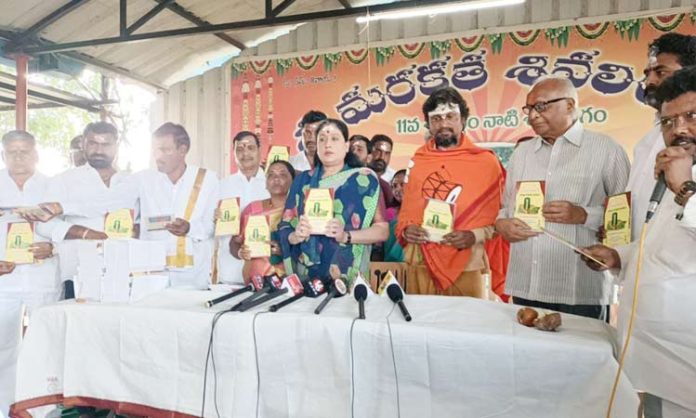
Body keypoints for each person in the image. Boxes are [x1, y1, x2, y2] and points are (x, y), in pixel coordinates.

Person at [582, 66, 696, 418]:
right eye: (667, 121)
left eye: (691, 116)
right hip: (659, 355)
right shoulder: (679, 169)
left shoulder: (681, 179)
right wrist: (618, 256)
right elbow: (661, 245)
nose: (678, 130)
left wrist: (684, 190)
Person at [495, 76, 630, 320]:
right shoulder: (522, 153)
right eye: (529, 109)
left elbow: (626, 215)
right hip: (526, 284)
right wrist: (502, 224)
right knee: (524, 355)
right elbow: (506, 208)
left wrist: (584, 215)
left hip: (580, 290)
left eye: (541, 106)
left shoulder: (606, 149)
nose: (532, 115)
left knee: (581, 357)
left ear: (569, 105)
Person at [396, 87, 506, 297]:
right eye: (436, 118)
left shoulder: (486, 162)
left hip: (468, 261)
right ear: (428, 124)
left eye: (450, 116)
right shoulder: (419, 161)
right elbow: (407, 212)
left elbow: (500, 216)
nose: (443, 124)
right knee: (420, 325)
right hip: (420, 259)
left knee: (467, 326)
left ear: (463, 120)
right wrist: (406, 230)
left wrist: (474, 235)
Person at [278, 118, 388, 283]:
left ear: (346, 146)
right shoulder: (302, 182)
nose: (327, 144)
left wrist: (346, 236)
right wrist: (295, 236)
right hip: (307, 275)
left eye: (334, 139)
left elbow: (382, 230)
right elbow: (285, 225)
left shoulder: (364, 181)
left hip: (347, 273)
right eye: (322, 139)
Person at [0, 131, 60, 417]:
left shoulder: (54, 187)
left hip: (42, 276)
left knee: (45, 346)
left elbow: (71, 229)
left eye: (25, 151)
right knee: (2, 348)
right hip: (4, 280)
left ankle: (45, 412)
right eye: (12, 151)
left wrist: (54, 247)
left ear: (36, 154)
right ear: (3, 155)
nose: (19, 156)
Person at [130, 122, 219, 289]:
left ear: (183, 150)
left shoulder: (207, 179)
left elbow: (212, 225)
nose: (158, 156)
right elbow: (127, 217)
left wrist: (189, 228)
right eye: (156, 150)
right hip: (152, 273)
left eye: (165, 150)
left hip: (193, 277)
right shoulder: (143, 180)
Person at [625, 33, 696, 238]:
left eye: (660, 72)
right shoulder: (644, 143)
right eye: (647, 74)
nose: (650, 81)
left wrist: (684, 188)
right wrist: (619, 254)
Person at [217, 131, 270, 284]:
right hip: (229, 272)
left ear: (260, 150)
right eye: (239, 149)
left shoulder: (272, 184)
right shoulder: (222, 185)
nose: (245, 154)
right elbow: (209, 229)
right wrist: (214, 219)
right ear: (233, 153)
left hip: (265, 271)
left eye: (251, 148)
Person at [230, 160, 295, 282]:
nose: (276, 179)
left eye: (282, 175)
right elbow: (234, 243)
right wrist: (240, 252)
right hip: (254, 282)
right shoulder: (252, 209)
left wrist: (286, 251)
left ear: (293, 182)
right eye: (271, 175)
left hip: (290, 283)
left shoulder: (299, 211)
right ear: (266, 183)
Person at [384, 169, 406, 262]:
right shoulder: (389, 213)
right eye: (394, 186)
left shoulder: (423, 213)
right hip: (389, 265)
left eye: (402, 185)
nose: (397, 189)